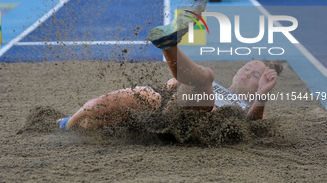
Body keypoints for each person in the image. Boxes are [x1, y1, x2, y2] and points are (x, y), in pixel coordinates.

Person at [57, 9, 283, 131]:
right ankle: (69, 123)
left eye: (254, 75)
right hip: (163, 104)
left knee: (205, 76)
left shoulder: (251, 106)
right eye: (246, 68)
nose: (246, 73)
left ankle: (168, 45)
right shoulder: (217, 88)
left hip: (193, 122)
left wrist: (262, 95)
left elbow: (254, 125)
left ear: (258, 87)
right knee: (96, 112)